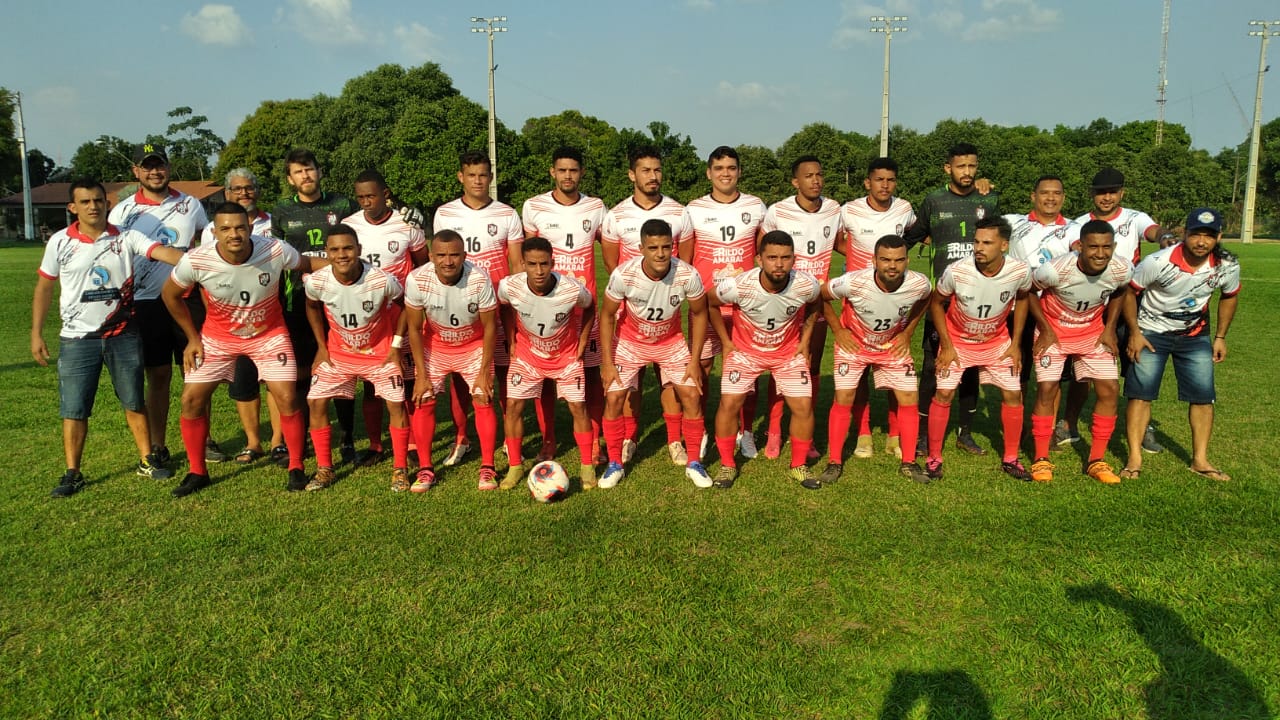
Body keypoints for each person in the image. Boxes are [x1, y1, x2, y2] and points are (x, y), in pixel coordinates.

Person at [161, 202, 328, 497]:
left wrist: (349, 264)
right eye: (225, 229)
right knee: (191, 400)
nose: (234, 234)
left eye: (240, 227)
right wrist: (192, 337)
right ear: (214, 232)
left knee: (288, 396)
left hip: (268, 334)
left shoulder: (275, 250)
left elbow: (306, 264)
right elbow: (170, 295)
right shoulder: (197, 260)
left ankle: (296, 466)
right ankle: (197, 472)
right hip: (217, 337)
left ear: (250, 228)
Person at [34, 179, 184, 497]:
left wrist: (201, 260)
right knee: (74, 408)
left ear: (107, 204)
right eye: (85, 202)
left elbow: (161, 252)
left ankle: (147, 459)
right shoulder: (59, 242)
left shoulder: (127, 237)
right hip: (77, 339)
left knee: (133, 400)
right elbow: (45, 287)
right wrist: (36, 333)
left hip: (123, 334)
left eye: (98, 200)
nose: (93, 206)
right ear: (72, 207)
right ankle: (73, 471)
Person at [1061, 167, 1176, 452]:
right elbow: (1073, 245)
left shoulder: (1134, 218)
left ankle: (1143, 428)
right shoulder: (1078, 223)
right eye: (1101, 192)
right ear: (1092, 194)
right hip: (1093, 302)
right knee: (1083, 368)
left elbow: (1153, 231)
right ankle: (1069, 424)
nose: (1107, 197)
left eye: (1113, 191)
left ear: (1121, 193)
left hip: (1131, 301)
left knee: (1137, 364)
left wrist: (1165, 236)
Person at [107, 143, 209, 466]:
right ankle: (159, 444)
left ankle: (203, 440)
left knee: (198, 373)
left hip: (187, 297)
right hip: (146, 301)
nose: (155, 172)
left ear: (168, 167)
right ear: (136, 171)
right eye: (147, 166)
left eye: (159, 165)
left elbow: (206, 246)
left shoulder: (191, 204)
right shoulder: (122, 212)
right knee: (159, 374)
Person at [1120, 208, 1239, 482]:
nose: (1201, 241)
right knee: (1140, 395)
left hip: (1195, 336)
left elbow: (1230, 295)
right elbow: (1130, 293)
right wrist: (1135, 333)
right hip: (1151, 333)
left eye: (1208, 236)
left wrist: (1220, 337)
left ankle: (1200, 460)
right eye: (1195, 234)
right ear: (1185, 234)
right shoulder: (1157, 261)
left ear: (1218, 237)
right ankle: (1134, 459)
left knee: (1203, 397)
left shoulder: (1227, 264)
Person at [904, 143, 1001, 458]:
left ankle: (965, 434)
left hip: (978, 303)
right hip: (941, 303)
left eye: (972, 166)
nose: (968, 173)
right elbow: (912, 234)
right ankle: (921, 436)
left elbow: (1001, 239)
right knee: (933, 368)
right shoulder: (934, 201)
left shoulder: (989, 199)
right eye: (961, 167)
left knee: (970, 369)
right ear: (948, 168)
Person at [599, 219, 711, 489]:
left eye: (666, 247)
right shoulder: (624, 275)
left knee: (691, 395)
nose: (661, 253)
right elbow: (606, 315)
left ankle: (694, 462)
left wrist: (694, 361)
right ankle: (615, 464)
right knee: (614, 398)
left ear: (673, 246)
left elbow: (699, 312)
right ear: (641, 248)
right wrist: (606, 362)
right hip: (629, 342)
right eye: (653, 247)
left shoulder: (687, 274)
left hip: (670, 342)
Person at [709, 230, 823, 489]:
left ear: (794, 259)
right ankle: (727, 465)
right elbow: (710, 302)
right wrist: (726, 342)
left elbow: (816, 304)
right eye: (772, 257)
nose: (779, 264)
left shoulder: (806, 284)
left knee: (803, 406)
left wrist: (805, 341)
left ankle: (798, 466)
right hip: (745, 353)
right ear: (759, 258)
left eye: (785, 257)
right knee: (729, 403)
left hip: (787, 354)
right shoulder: (739, 284)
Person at [601, 146, 693, 464]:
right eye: (645, 170)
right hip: (629, 313)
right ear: (632, 174)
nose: (652, 176)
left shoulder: (679, 213)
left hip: (667, 313)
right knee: (631, 383)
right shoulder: (616, 215)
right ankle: (630, 436)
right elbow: (613, 264)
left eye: (657, 170)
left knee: (669, 380)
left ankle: (674, 440)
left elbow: (686, 263)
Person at [431, 150, 523, 468]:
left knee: (505, 376)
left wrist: (513, 313)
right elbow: (443, 259)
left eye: (483, 175)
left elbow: (516, 266)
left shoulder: (507, 214)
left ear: (491, 177)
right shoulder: (445, 213)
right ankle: (462, 437)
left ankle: (511, 442)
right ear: (461, 177)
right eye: (471, 175)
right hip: (460, 313)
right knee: (460, 381)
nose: (478, 181)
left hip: (496, 309)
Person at [924, 216, 1032, 481]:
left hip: (997, 343)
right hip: (958, 342)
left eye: (987, 242)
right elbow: (936, 304)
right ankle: (934, 458)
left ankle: (1010, 459)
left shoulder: (1020, 271)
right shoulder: (957, 271)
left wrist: (1016, 343)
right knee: (944, 394)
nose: (978, 247)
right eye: (976, 241)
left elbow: (1023, 297)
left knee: (1013, 395)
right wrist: (947, 345)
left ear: (1004, 245)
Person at [302, 226, 409, 491]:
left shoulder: (382, 280)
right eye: (335, 249)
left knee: (396, 405)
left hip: (380, 354)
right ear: (327, 252)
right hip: (338, 354)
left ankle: (400, 469)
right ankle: (325, 468)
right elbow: (312, 306)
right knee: (315, 402)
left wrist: (396, 345)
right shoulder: (317, 281)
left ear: (359, 250)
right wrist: (321, 346)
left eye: (348, 248)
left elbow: (407, 306)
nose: (342, 254)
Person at [270, 148, 360, 463]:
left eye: (310, 169)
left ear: (319, 171)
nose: (305, 176)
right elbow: (280, 258)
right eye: (298, 172)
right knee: (303, 371)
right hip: (298, 299)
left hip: (340, 298)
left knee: (342, 367)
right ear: (290, 179)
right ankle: (306, 436)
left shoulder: (342, 204)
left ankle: (348, 438)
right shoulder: (280, 211)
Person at [820, 235, 932, 485]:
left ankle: (909, 462)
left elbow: (927, 298)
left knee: (909, 398)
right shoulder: (854, 282)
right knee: (844, 397)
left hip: (891, 346)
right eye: (885, 260)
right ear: (873, 260)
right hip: (854, 346)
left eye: (899, 260)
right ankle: (834, 462)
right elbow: (820, 295)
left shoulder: (918, 283)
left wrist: (907, 332)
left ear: (907, 261)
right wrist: (839, 330)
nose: (892, 266)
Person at [1026, 220, 1132, 484]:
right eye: (1093, 247)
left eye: (1106, 247)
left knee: (1109, 389)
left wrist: (1109, 327)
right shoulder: (1056, 269)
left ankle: (1096, 460)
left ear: (1114, 247)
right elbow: (1028, 291)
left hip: (1092, 333)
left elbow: (1120, 290)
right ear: (1079, 246)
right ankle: (1041, 458)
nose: (1100, 253)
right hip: (1054, 332)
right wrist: (1044, 327)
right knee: (1048, 389)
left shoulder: (1122, 268)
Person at [522, 147, 607, 464]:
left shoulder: (596, 207)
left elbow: (610, 252)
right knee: (545, 376)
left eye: (573, 170)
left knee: (591, 374)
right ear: (552, 172)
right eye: (562, 170)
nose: (568, 175)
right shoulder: (534, 207)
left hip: (585, 308)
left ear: (581, 173)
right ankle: (549, 440)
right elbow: (526, 254)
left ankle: (594, 440)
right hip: (546, 308)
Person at [680, 145, 766, 460]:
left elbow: (762, 254)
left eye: (731, 168)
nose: (725, 173)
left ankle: (746, 432)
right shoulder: (693, 208)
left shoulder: (756, 206)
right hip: (705, 306)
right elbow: (686, 259)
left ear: (739, 171)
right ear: (709, 173)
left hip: (744, 308)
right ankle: (700, 431)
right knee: (701, 366)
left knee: (748, 371)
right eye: (719, 168)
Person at [759, 155, 843, 461]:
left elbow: (848, 241)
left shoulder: (835, 209)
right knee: (781, 365)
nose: (816, 180)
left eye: (819, 175)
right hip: (782, 299)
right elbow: (764, 248)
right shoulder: (778, 211)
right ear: (796, 181)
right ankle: (774, 430)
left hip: (815, 302)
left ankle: (804, 435)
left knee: (811, 365)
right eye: (808, 176)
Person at [496, 237, 597, 490]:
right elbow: (504, 308)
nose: (539, 271)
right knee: (513, 405)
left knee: (578, 407)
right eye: (532, 264)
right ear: (522, 263)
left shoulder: (572, 289)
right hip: (528, 356)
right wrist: (511, 339)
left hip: (565, 357)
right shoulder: (509, 286)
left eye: (544, 264)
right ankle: (516, 467)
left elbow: (591, 307)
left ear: (553, 262)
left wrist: (583, 342)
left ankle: (587, 467)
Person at [342, 169, 428, 467]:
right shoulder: (348, 226)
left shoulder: (406, 226)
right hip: (368, 320)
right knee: (372, 384)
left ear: (385, 193)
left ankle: (414, 443)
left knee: (407, 379)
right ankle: (377, 445)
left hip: (401, 315)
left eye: (372, 195)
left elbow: (422, 266)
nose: (366, 202)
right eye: (361, 197)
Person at [403, 230, 500, 492]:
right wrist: (421, 375)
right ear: (431, 256)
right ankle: (425, 469)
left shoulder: (479, 279)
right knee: (423, 399)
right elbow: (413, 328)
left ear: (464, 256)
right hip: (435, 345)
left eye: (454, 255)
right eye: (442, 255)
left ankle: (488, 468)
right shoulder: (417, 279)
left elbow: (491, 327)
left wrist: (483, 372)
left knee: (483, 396)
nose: (448, 261)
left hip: (473, 345)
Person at [200, 167, 280, 465]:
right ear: (226, 193)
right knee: (244, 381)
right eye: (237, 189)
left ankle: (278, 442)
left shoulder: (273, 223)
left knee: (274, 380)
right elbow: (202, 274)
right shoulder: (213, 229)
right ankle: (253, 442)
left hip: (268, 314)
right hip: (230, 319)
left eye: (249, 188)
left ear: (257, 192)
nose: (244, 193)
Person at [839, 157, 917, 459]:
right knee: (858, 370)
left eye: (891, 180)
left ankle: (895, 434)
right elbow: (835, 241)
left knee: (895, 364)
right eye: (879, 179)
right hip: (858, 299)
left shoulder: (905, 209)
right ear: (867, 182)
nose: (885, 185)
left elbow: (917, 231)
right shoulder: (849, 211)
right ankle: (863, 433)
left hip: (895, 298)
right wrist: (862, 269)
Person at [1004, 175, 1081, 386]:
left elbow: (1080, 246)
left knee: (1052, 378)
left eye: (1056, 193)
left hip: (1054, 310)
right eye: (1045, 192)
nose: (1051, 198)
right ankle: (1017, 418)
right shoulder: (1013, 221)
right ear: (1033, 196)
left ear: (1063, 198)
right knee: (1016, 371)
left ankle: (1050, 419)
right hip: (1016, 307)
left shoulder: (1074, 228)